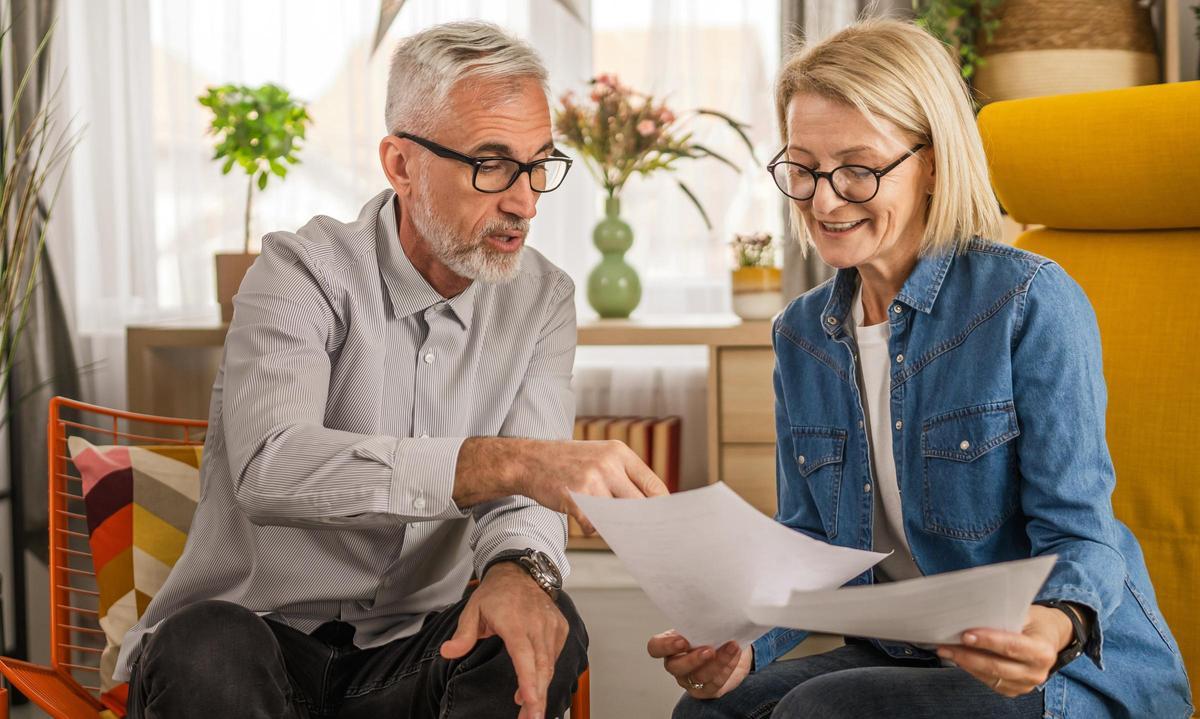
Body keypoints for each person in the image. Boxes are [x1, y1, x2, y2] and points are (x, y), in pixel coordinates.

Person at [119, 20, 667, 719]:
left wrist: (516, 570)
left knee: (535, 623)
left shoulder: (544, 299)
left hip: (409, 655)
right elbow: (272, 467)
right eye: (491, 163)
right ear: (401, 164)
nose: (524, 201)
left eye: (538, 165)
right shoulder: (297, 273)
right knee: (205, 648)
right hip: (254, 643)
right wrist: (502, 461)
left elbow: (523, 505)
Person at [648, 18, 1193, 719]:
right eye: (803, 168)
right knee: (707, 713)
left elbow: (1080, 534)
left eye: (857, 167)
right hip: (902, 656)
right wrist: (742, 641)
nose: (823, 199)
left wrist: (1050, 626)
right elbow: (811, 544)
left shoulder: (1027, 301)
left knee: (822, 710)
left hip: (1064, 672)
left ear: (932, 161)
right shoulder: (802, 335)